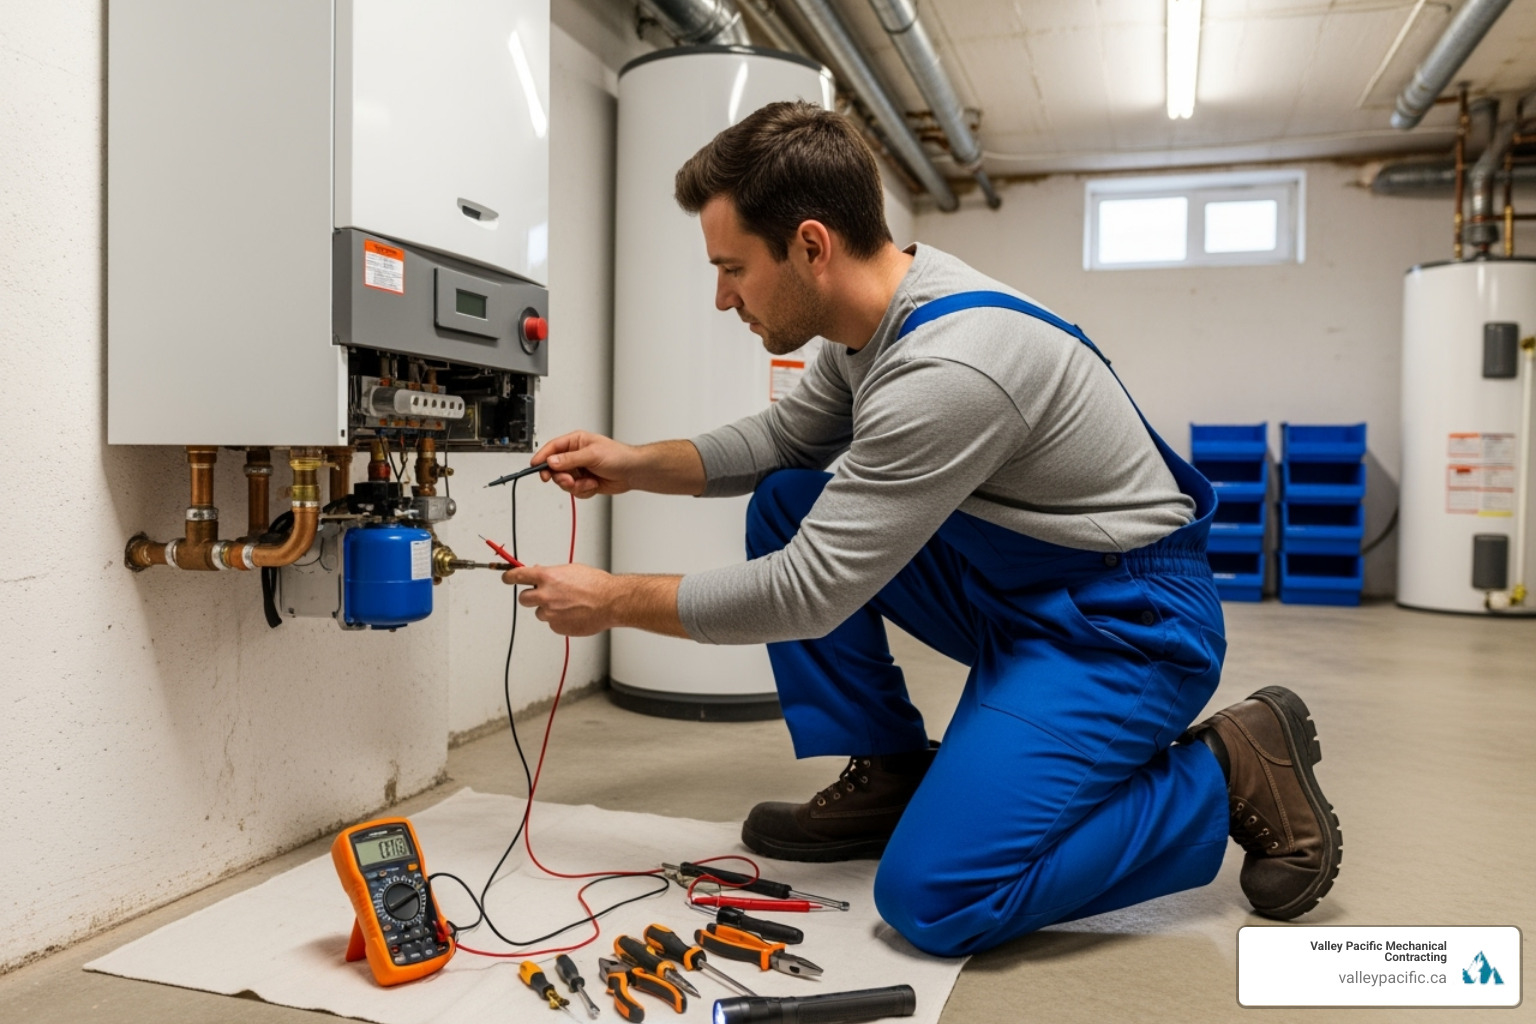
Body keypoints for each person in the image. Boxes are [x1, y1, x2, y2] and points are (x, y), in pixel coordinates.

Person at [502, 102, 1341, 957]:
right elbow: (787, 441)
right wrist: (635, 462)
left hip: (1124, 627)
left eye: (733, 268)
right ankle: (892, 771)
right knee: (789, 496)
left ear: (811, 246)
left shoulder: (949, 368)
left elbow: (808, 591)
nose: (723, 298)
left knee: (935, 898)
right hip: (1023, 591)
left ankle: (1226, 767)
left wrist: (611, 599)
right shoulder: (879, 313)